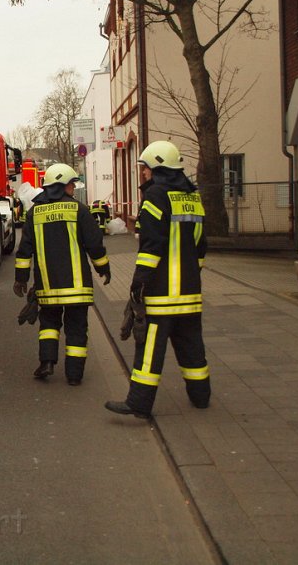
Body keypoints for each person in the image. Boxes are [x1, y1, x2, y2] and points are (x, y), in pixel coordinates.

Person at [105, 140, 211, 419]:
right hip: (189, 293)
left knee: (150, 348)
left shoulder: (155, 197)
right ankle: (201, 397)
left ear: (159, 167)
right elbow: (201, 247)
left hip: (162, 293)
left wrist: (138, 284)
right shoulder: (192, 197)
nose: (142, 173)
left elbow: (151, 246)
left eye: (146, 168)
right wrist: (191, 276)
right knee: (192, 347)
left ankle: (138, 403)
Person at [14, 164, 111, 385]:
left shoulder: (33, 213)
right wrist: (103, 267)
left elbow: (24, 250)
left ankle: (47, 363)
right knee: (77, 328)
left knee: (48, 324)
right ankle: (74, 375)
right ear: (62, 185)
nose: (73, 188)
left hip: (47, 285)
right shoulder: (79, 210)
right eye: (71, 184)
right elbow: (94, 244)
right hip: (78, 286)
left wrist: (21, 278)